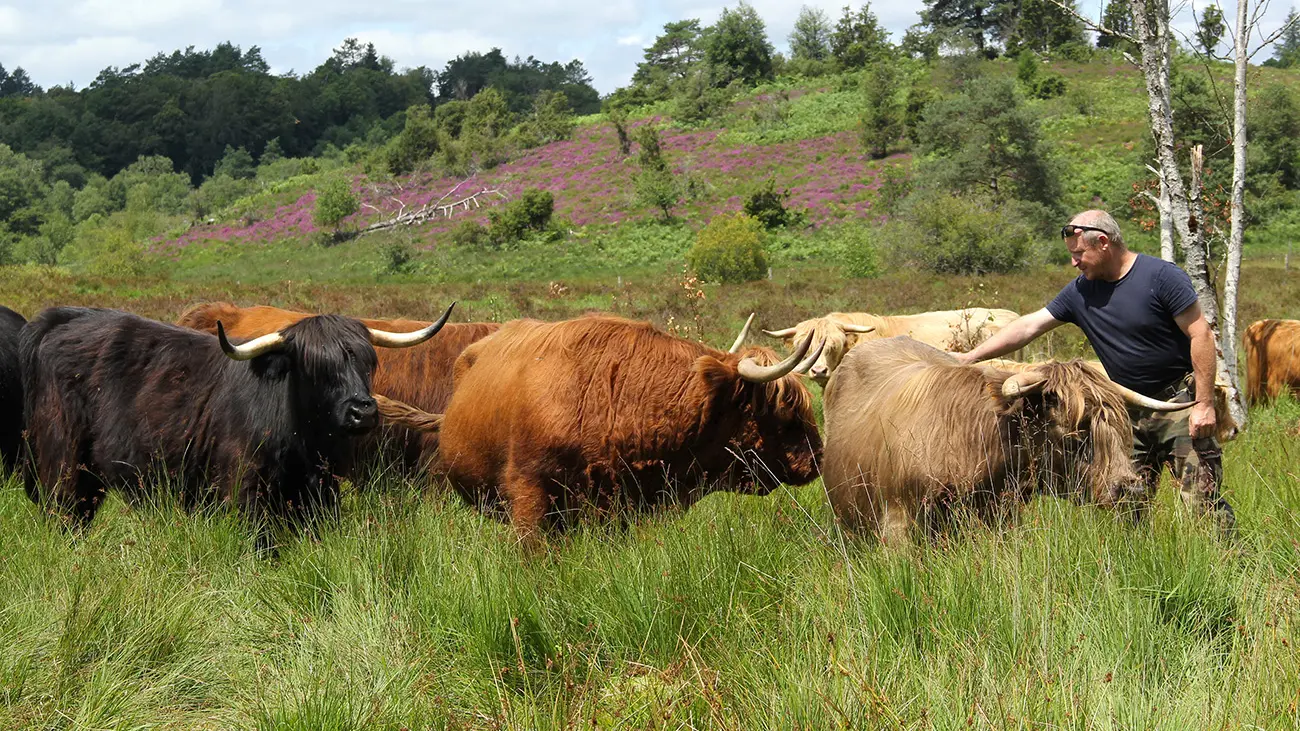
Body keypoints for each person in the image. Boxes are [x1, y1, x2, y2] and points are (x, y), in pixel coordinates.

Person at [954, 210, 1236, 531]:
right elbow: (1030, 326)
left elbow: (1201, 334)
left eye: (1078, 253)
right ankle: (1135, 573)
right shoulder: (1081, 291)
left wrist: (1203, 404)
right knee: (1125, 501)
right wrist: (970, 357)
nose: (1074, 262)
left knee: (1201, 500)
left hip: (1180, 404)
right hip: (1124, 411)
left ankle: (1231, 568)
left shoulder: (1161, 277)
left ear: (1103, 243)